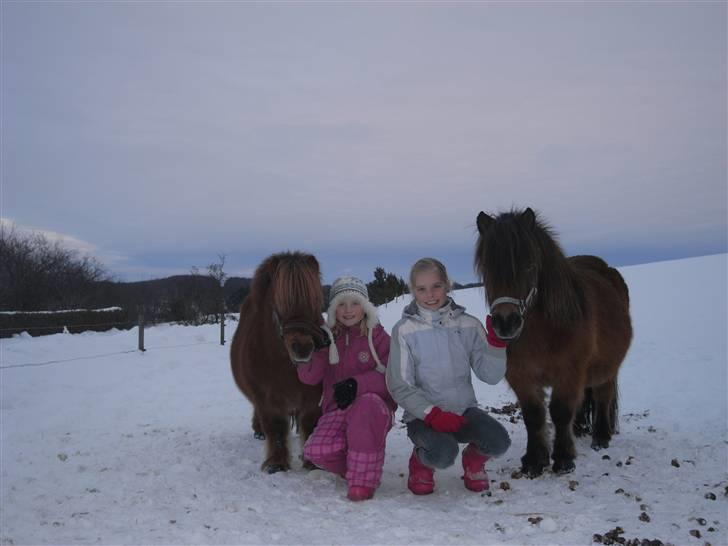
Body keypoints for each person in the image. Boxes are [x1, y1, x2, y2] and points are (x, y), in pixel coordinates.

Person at [386, 258, 510, 495]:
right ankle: (421, 463)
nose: (430, 294)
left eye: (436, 286)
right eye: (421, 289)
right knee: (443, 455)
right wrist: (431, 414)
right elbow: (399, 385)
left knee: (499, 442)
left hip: (462, 411)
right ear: (413, 291)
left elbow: (490, 376)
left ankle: (473, 464)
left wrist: (496, 346)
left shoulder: (469, 325)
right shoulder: (404, 331)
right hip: (423, 418)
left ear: (447, 285)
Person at [297, 276, 396, 502]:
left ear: (366, 307)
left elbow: (394, 377)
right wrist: (310, 354)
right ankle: (356, 466)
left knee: (365, 411)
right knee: (315, 451)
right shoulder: (329, 338)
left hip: (374, 410)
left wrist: (357, 385)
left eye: (355, 303)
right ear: (333, 309)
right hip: (337, 410)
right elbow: (310, 378)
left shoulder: (380, 338)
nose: (348, 310)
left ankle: (363, 483)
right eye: (341, 304)